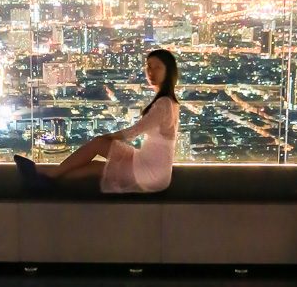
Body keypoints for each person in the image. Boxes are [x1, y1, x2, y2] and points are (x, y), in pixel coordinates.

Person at [15, 48, 179, 193]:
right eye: (149, 66)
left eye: (157, 67)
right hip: (154, 169)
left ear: (168, 71)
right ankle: (45, 180)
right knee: (97, 167)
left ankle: (46, 175)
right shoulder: (168, 101)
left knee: (98, 143)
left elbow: (135, 131)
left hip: (150, 171)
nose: (151, 72)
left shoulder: (164, 103)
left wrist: (110, 137)